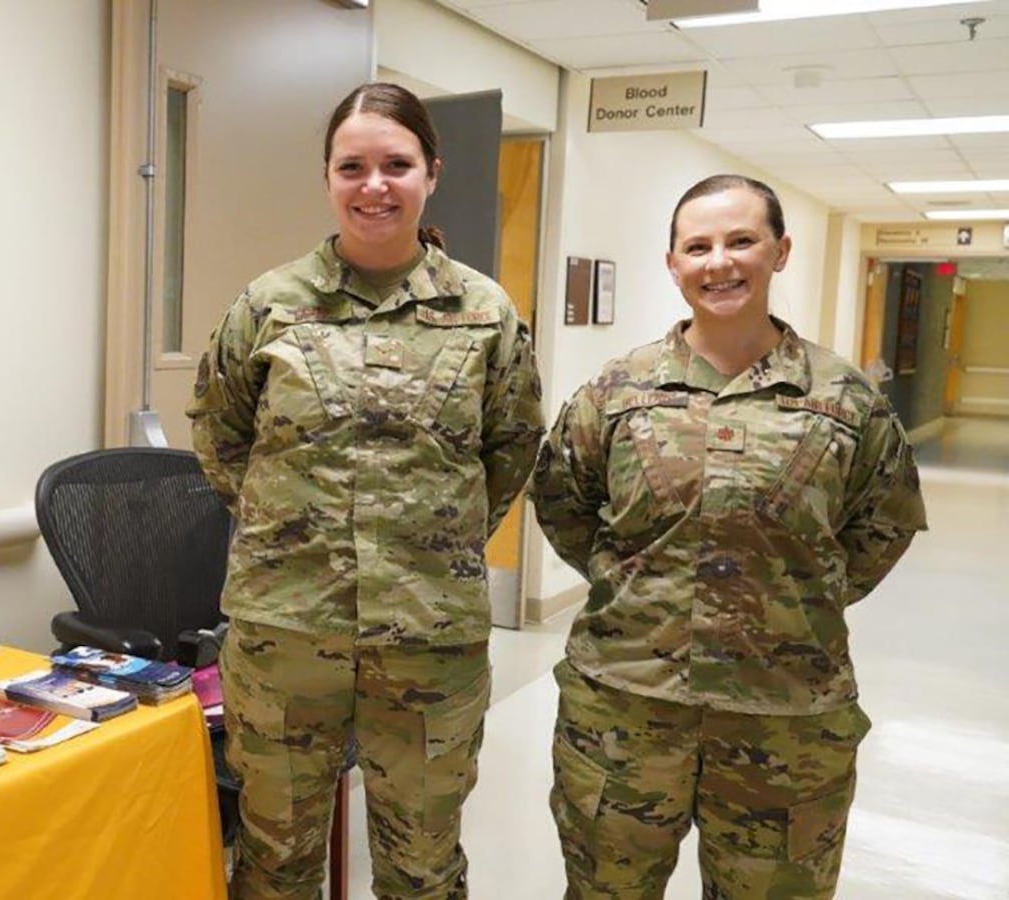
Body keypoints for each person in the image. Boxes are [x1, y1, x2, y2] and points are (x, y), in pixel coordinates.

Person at [188, 82, 544, 899]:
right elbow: (219, 436)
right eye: (353, 166)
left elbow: (511, 447)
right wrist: (293, 533)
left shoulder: (484, 312)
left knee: (422, 868)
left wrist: (429, 539)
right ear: (327, 178)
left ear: (431, 173)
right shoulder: (270, 304)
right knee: (275, 864)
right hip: (286, 636)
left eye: (396, 164)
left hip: (429, 639)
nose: (374, 185)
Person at [529, 174, 927, 899]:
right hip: (626, 712)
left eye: (742, 240)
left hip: (785, 723)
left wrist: (790, 598)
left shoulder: (844, 401)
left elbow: (883, 525)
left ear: (780, 251)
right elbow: (563, 503)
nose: (720, 262)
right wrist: (639, 591)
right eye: (699, 246)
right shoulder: (616, 392)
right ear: (673, 262)